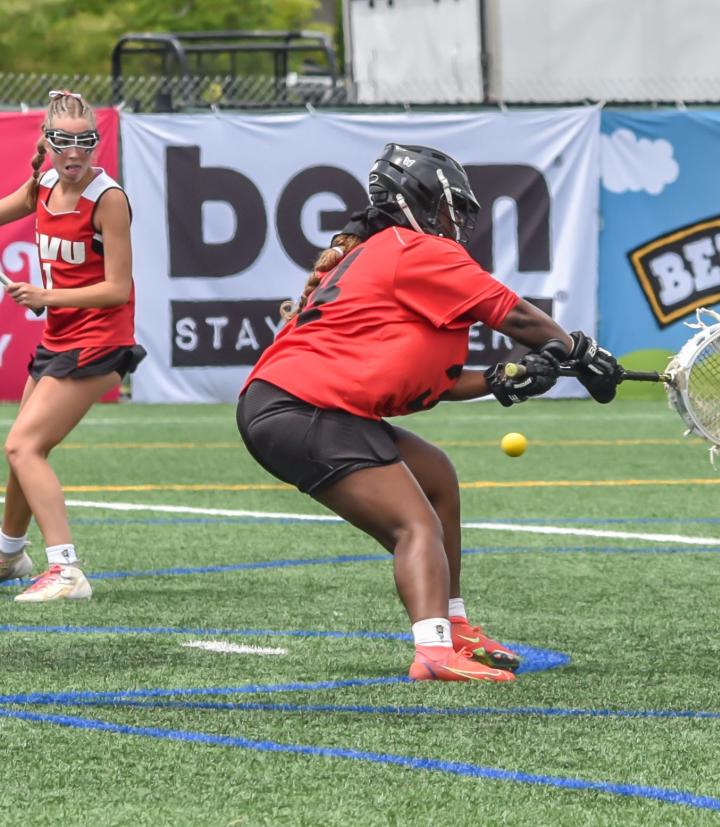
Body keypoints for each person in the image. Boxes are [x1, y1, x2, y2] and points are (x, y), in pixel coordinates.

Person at [236, 143, 621, 683]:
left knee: (435, 476)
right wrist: (578, 351)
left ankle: (455, 625)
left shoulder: (380, 254)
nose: (455, 222)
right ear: (413, 200)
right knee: (414, 524)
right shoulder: (414, 249)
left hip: (296, 405)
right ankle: (434, 651)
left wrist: (498, 380)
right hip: (304, 407)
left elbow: (420, 382)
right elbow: (517, 316)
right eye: (448, 208)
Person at [0, 90, 145, 602]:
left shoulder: (108, 200)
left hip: (100, 341)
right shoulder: (42, 183)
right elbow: (6, 209)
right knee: (21, 446)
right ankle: (8, 555)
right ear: (48, 142)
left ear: (97, 144)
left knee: (23, 446)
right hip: (59, 337)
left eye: (86, 141)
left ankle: (66, 571)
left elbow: (117, 289)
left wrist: (45, 294)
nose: (75, 153)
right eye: (64, 142)